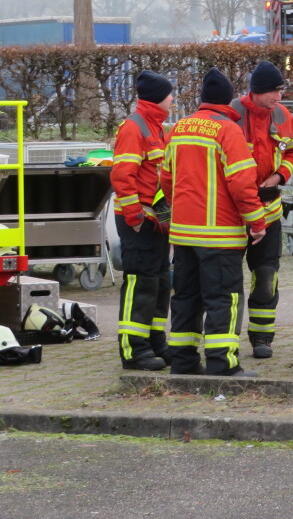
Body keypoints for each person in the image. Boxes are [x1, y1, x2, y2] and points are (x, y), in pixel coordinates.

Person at [161, 67, 266, 377]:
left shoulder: (179, 128)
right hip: (219, 237)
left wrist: (181, 210)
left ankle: (183, 361)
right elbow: (242, 185)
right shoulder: (229, 131)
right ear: (228, 101)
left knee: (186, 298)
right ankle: (223, 363)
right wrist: (257, 221)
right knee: (223, 299)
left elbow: (166, 179)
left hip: (183, 235)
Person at [230, 60, 293, 359]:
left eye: (280, 91)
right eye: (274, 91)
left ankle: (262, 338)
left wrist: (278, 176)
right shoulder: (232, 115)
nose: (279, 97)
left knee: (265, 277)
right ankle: (226, 338)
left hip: (270, 212)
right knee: (229, 281)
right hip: (234, 216)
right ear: (257, 91)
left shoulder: (281, 115)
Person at [111, 70, 174, 371]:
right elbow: (122, 175)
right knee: (140, 283)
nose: (173, 99)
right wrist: (135, 216)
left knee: (160, 282)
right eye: (169, 94)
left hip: (155, 220)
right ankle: (134, 349)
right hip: (139, 221)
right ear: (158, 98)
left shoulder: (156, 127)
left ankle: (155, 341)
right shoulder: (134, 129)